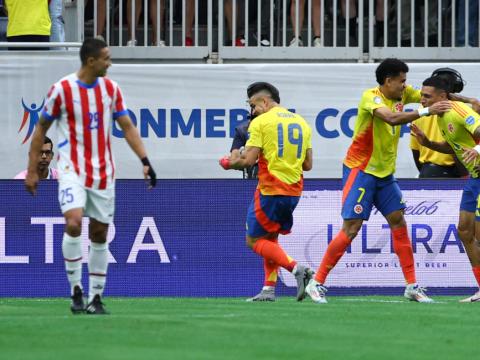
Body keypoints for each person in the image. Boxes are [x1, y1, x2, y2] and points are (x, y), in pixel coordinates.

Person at [24, 38, 157, 315]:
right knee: (73, 223)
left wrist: (145, 160)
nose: (110, 63)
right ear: (91, 61)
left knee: (99, 232)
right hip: (72, 169)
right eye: (106, 58)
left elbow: (127, 126)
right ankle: (75, 290)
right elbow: (40, 128)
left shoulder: (111, 89)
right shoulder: (62, 90)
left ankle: (96, 298)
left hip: (103, 174)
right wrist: (31, 168)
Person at [304, 58, 451, 304]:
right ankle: (316, 282)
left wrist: (466, 102)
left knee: (398, 222)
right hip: (361, 171)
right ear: (388, 81)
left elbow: (431, 96)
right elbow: (392, 119)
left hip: (384, 174)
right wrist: (426, 111)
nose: (406, 86)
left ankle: (411, 286)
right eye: (402, 81)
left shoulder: (403, 94)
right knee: (351, 229)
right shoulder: (370, 98)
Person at [219, 82, 314, 302]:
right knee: (270, 238)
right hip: (294, 192)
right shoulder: (302, 123)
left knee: (253, 240)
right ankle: (268, 289)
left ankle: (296, 269)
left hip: (270, 190)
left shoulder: (261, 122)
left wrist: (227, 163)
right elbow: (307, 165)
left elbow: (248, 160)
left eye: (253, 105)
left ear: (264, 101)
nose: (252, 111)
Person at [411, 76, 480, 302]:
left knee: (476, 231)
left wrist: (478, 151)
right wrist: (427, 143)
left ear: (442, 97)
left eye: (427, 96)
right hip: (475, 177)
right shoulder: (439, 117)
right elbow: (453, 146)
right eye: (421, 95)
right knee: (464, 231)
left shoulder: (457, 110)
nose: (421, 100)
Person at [410, 68, 469, 178]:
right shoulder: (458, 111)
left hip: (428, 170)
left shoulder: (420, 111)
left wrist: (425, 170)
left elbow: (415, 148)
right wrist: (464, 175)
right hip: (455, 171)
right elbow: (456, 147)